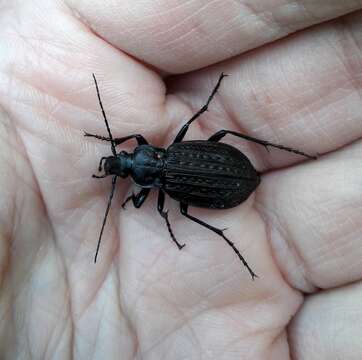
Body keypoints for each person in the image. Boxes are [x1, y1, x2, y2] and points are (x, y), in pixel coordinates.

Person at [0, 1, 361, 358]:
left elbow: (146, 196)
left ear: (139, 155)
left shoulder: (158, 186)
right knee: (207, 156)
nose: (124, 160)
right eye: (125, 161)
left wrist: (132, 198)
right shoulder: (159, 151)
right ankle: (271, 169)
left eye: (124, 159)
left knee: (184, 208)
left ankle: (260, 182)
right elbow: (142, 158)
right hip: (220, 175)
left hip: (225, 176)